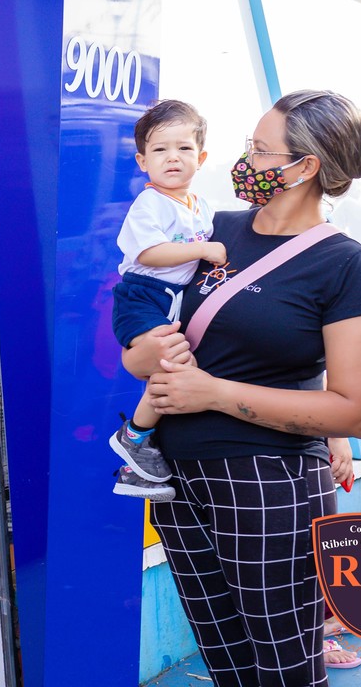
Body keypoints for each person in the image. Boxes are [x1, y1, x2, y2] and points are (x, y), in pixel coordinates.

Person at [123, 89, 361, 686]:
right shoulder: (208, 229)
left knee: (284, 668)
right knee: (224, 659)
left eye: (258, 149)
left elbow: (354, 410)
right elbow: (141, 329)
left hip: (269, 482)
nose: (244, 159)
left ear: (304, 167)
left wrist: (214, 394)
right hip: (176, 480)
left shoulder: (344, 264)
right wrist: (141, 354)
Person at [109, 100, 226, 501]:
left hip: (173, 299)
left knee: (175, 370)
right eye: (160, 149)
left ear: (201, 158)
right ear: (143, 161)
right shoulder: (150, 204)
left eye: (184, 148)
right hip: (142, 296)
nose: (172, 157)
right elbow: (150, 254)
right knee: (175, 365)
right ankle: (134, 436)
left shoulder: (202, 207)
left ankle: (135, 469)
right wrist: (204, 249)